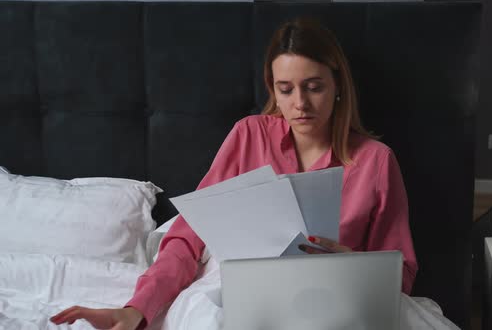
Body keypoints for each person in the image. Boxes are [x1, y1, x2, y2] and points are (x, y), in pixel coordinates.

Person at [50, 18, 417, 330]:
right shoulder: (249, 135)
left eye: (314, 87)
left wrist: (350, 265)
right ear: (272, 89)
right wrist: (137, 309)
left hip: (335, 301)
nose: (300, 104)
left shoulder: (376, 161)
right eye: (285, 90)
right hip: (244, 294)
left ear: (338, 87)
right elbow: (187, 237)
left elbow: (400, 272)